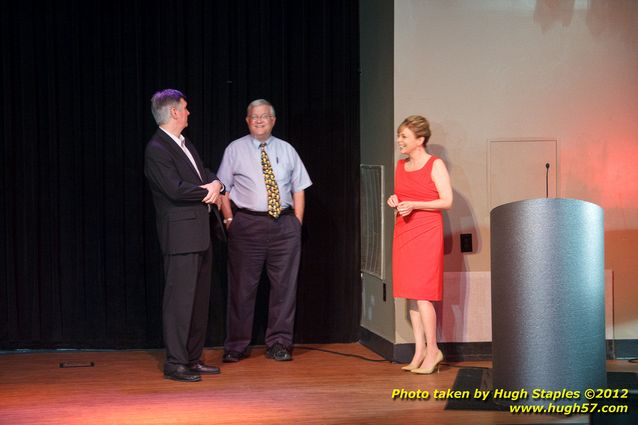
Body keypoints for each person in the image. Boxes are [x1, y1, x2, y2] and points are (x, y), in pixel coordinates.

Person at [217, 99, 312, 362]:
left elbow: (299, 188)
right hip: (247, 225)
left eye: (264, 116)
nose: (259, 120)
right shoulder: (235, 149)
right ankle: (236, 345)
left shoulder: (287, 149)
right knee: (241, 288)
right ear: (247, 121)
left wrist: (296, 222)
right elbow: (221, 188)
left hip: (284, 226)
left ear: (273, 120)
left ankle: (279, 343)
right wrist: (229, 219)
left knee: (284, 288)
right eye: (254, 117)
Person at [144, 89, 223, 382]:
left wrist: (215, 182)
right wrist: (208, 191)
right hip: (180, 235)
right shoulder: (157, 148)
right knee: (180, 300)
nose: (189, 112)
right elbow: (174, 188)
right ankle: (176, 362)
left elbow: (202, 172)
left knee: (199, 300)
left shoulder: (184, 143)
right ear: (174, 112)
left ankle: (192, 357)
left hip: (199, 232)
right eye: (186, 108)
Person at [387, 115, 453, 374]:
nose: (399, 141)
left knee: (423, 295)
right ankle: (419, 351)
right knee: (411, 296)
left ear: (420, 140)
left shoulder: (435, 165)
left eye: (404, 136)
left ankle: (434, 350)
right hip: (404, 229)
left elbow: (446, 201)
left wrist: (415, 204)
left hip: (427, 232)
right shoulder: (400, 166)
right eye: (399, 135)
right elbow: (404, 197)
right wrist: (396, 201)